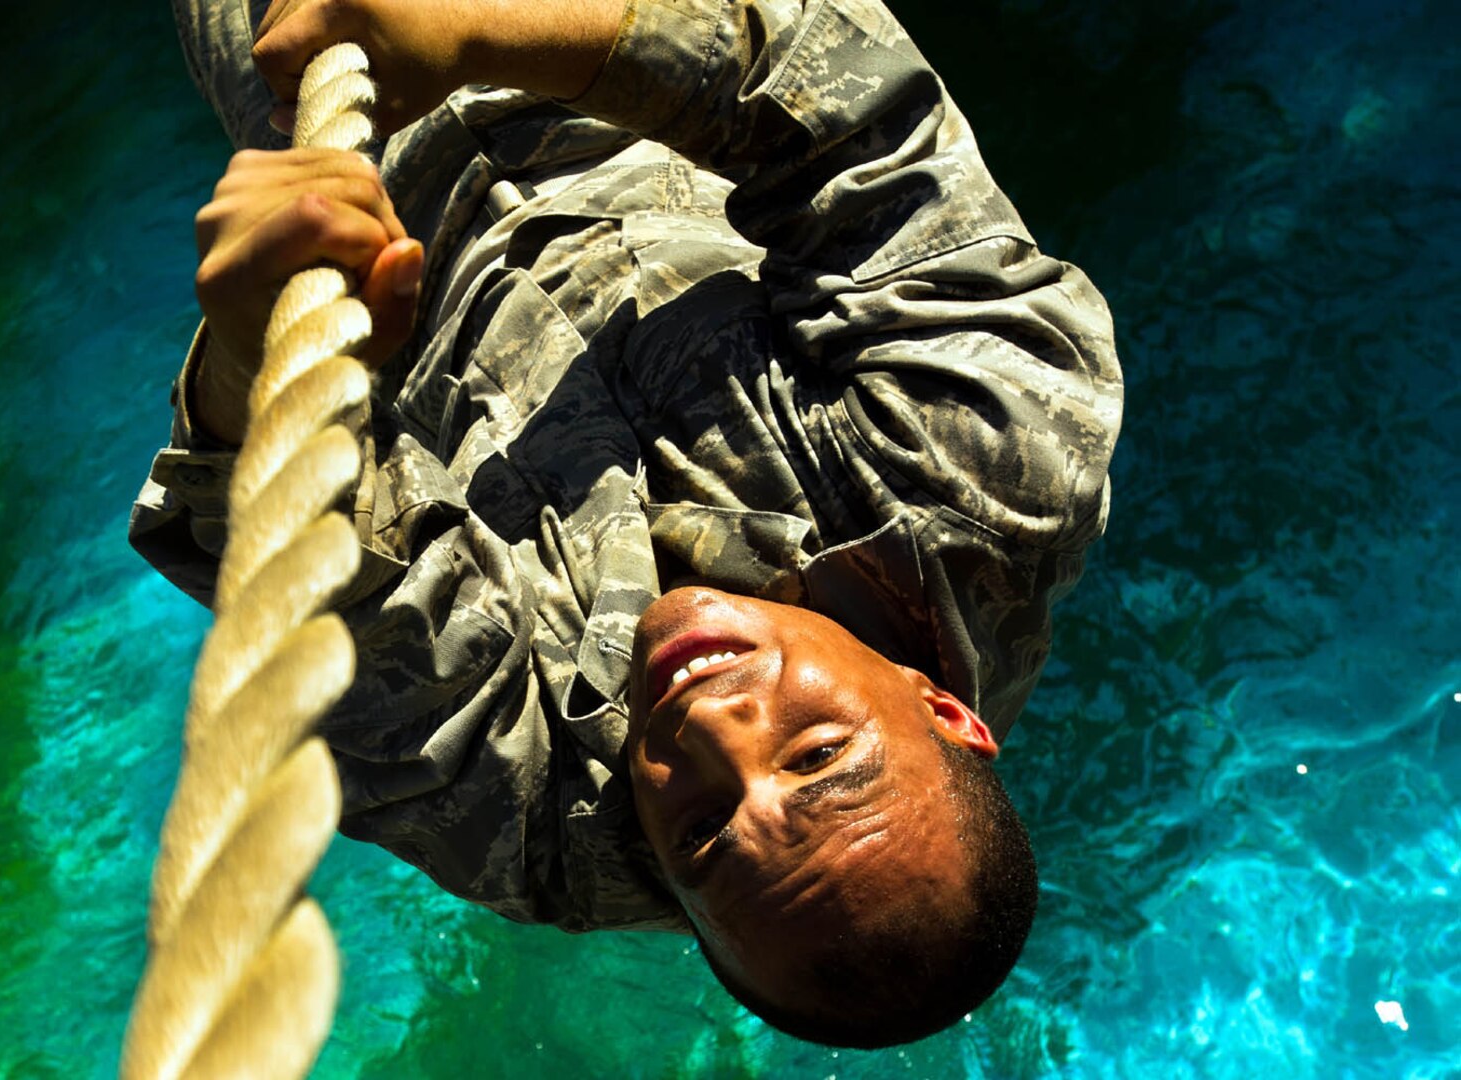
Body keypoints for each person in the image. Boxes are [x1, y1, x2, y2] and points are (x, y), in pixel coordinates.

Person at [130, 0, 1122, 1048]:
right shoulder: (997, 475)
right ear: (947, 711)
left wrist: (253, 346)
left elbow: (294, 551)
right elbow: (848, 121)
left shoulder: (527, 816)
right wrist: (477, 24)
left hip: (342, 140)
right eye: (818, 757)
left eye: (702, 834)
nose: (710, 734)